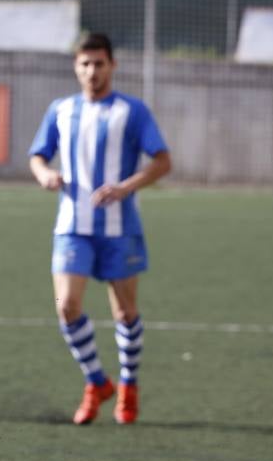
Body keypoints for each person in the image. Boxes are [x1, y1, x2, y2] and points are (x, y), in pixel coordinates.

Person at [28, 32, 172, 425]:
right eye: (85, 63)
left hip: (119, 227)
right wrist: (44, 174)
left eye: (99, 63)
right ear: (76, 67)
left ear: (112, 66)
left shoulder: (132, 111)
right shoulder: (61, 109)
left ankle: (128, 386)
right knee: (67, 307)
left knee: (125, 313)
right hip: (72, 225)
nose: (92, 71)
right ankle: (97, 382)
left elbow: (162, 161)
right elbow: (38, 155)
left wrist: (125, 187)